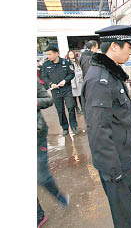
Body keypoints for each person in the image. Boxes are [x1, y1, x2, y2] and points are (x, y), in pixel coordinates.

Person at [81, 25, 131, 228]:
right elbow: (98, 129)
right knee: (120, 203)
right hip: (114, 160)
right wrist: (112, 169)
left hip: (123, 154)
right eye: (128, 46)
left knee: (125, 200)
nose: (130, 51)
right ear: (114, 46)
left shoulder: (110, 74)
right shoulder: (99, 80)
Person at [37, 77, 69, 227]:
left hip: (36, 135)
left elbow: (47, 100)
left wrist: (35, 102)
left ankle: (59, 196)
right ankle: (38, 215)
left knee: (41, 177)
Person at [40, 46, 78, 136]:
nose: (48, 56)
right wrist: (50, 83)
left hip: (67, 89)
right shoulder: (46, 65)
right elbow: (44, 76)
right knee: (60, 110)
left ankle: (73, 126)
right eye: (47, 54)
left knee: (70, 107)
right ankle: (65, 128)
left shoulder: (66, 62)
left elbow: (71, 74)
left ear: (56, 53)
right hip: (55, 91)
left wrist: (65, 80)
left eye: (50, 54)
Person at [67, 50, 83, 114]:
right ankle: (77, 109)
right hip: (72, 82)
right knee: (74, 98)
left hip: (79, 82)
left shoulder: (78, 62)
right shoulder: (67, 63)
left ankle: (83, 108)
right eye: (70, 54)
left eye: (72, 54)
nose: (71, 55)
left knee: (80, 97)